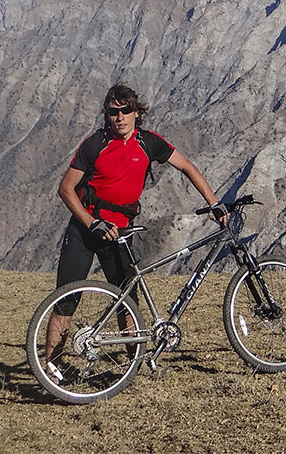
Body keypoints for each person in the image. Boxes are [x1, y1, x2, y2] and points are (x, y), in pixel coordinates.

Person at [43, 82, 227, 379]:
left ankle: (133, 367)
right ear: (106, 115)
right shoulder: (95, 144)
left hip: (120, 232)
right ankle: (52, 367)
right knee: (66, 298)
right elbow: (66, 189)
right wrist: (92, 222)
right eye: (113, 112)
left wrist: (214, 203)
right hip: (86, 228)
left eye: (126, 110)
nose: (119, 117)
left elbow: (187, 167)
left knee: (127, 300)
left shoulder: (148, 142)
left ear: (136, 113)